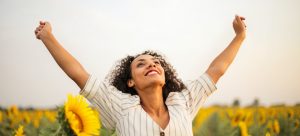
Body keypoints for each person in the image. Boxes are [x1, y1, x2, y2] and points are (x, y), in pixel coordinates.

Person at [34, 15, 246, 136]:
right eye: (141, 64)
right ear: (130, 81)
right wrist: (48, 36)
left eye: (156, 63)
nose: (151, 65)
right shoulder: (120, 106)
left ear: (164, 75)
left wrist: (239, 36)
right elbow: (78, 73)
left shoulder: (183, 100)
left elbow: (217, 70)